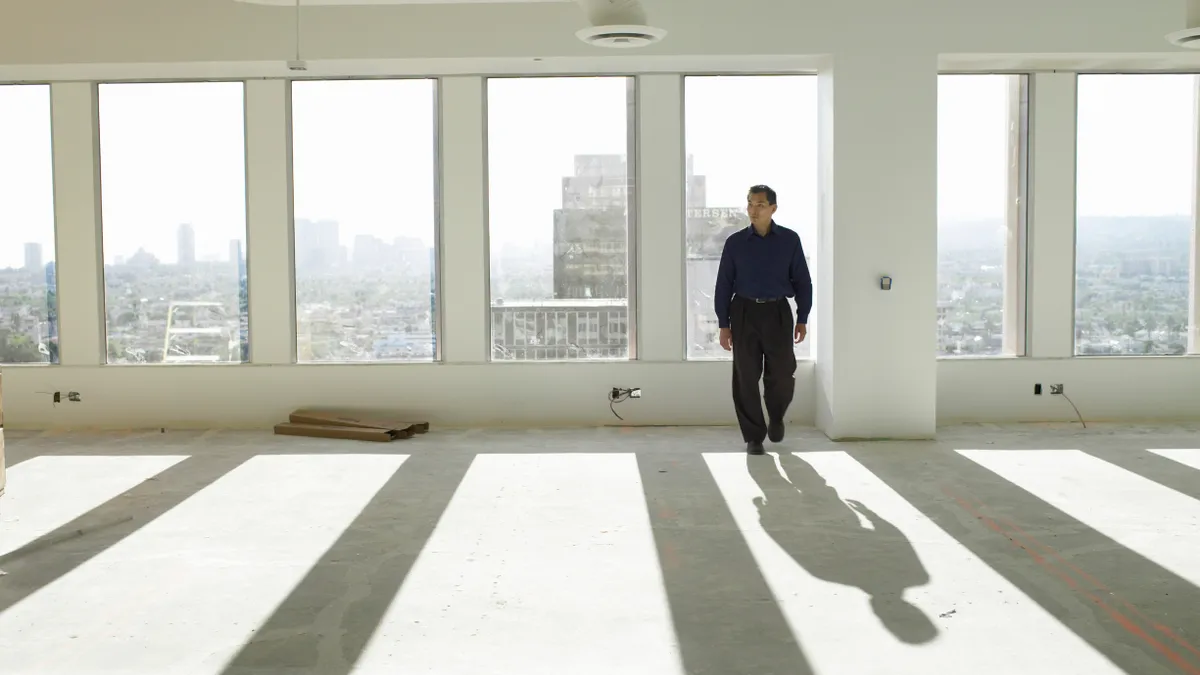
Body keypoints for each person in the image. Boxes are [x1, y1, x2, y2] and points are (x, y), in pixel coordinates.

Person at [714, 185, 812, 454]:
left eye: (759, 205)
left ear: (773, 209)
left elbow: (803, 281)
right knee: (745, 376)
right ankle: (754, 437)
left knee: (781, 372)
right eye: (749, 204)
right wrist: (724, 324)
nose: (753, 210)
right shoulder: (735, 243)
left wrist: (802, 316)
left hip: (778, 311)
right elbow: (723, 284)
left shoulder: (789, 240)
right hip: (743, 312)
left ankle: (777, 416)